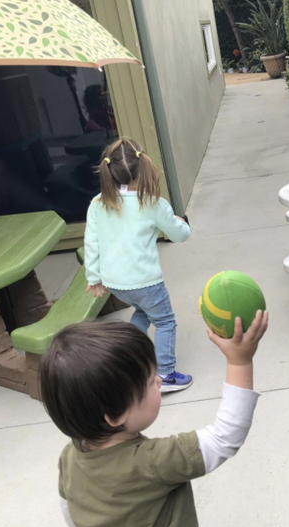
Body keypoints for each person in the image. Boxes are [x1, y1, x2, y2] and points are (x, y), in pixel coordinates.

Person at [41, 312, 268, 527]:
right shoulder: (153, 462)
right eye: (151, 381)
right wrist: (240, 362)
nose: (160, 381)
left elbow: (74, 523)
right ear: (115, 416)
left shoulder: (69, 457)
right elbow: (225, 438)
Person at [85, 138, 192, 392]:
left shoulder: (98, 203)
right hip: (146, 282)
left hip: (116, 284)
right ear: (144, 166)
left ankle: (131, 361)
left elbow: (91, 242)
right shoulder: (151, 202)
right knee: (165, 321)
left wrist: (93, 277)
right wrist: (182, 222)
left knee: (143, 312)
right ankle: (165, 374)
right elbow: (179, 234)